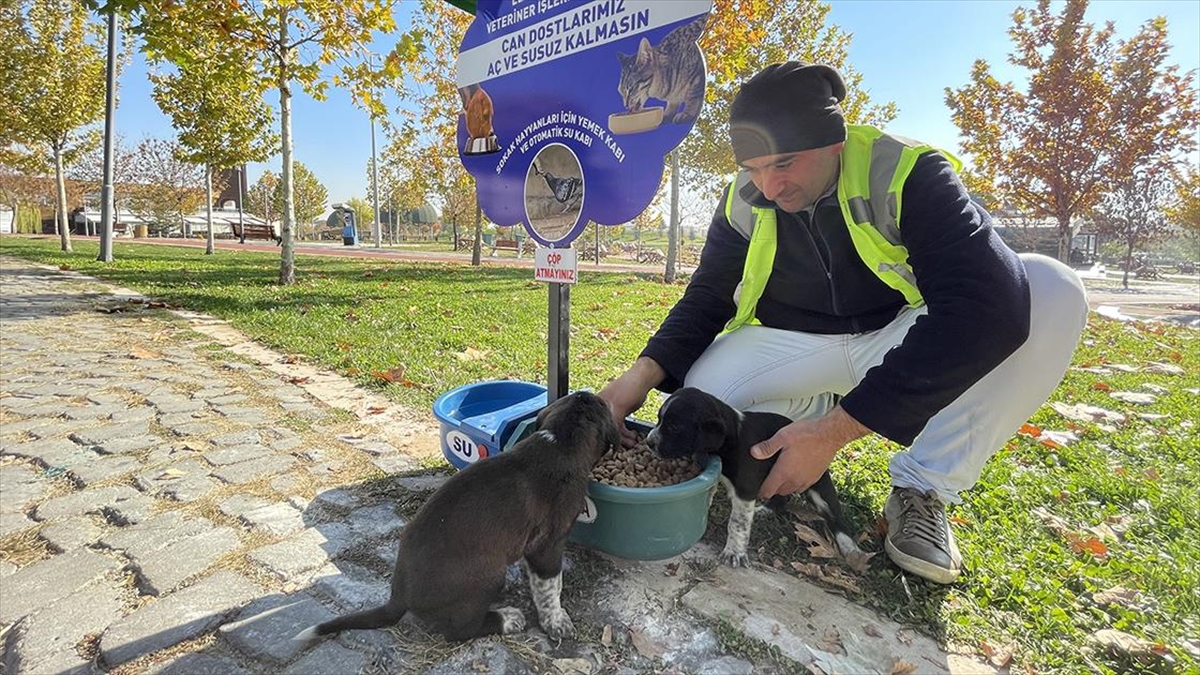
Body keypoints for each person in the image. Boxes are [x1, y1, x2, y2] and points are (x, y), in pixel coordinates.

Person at [598, 61, 1088, 584]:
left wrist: (834, 433)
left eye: (784, 163)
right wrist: (634, 380)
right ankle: (793, 425)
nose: (769, 185)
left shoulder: (905, 170)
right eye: (756, 167)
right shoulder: (745, 194)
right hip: (796, 343)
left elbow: (986, 303)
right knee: (703, 395)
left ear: (834, 141)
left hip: (897, 333)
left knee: (1050, 290)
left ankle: (923, 487)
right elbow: (706, 298)